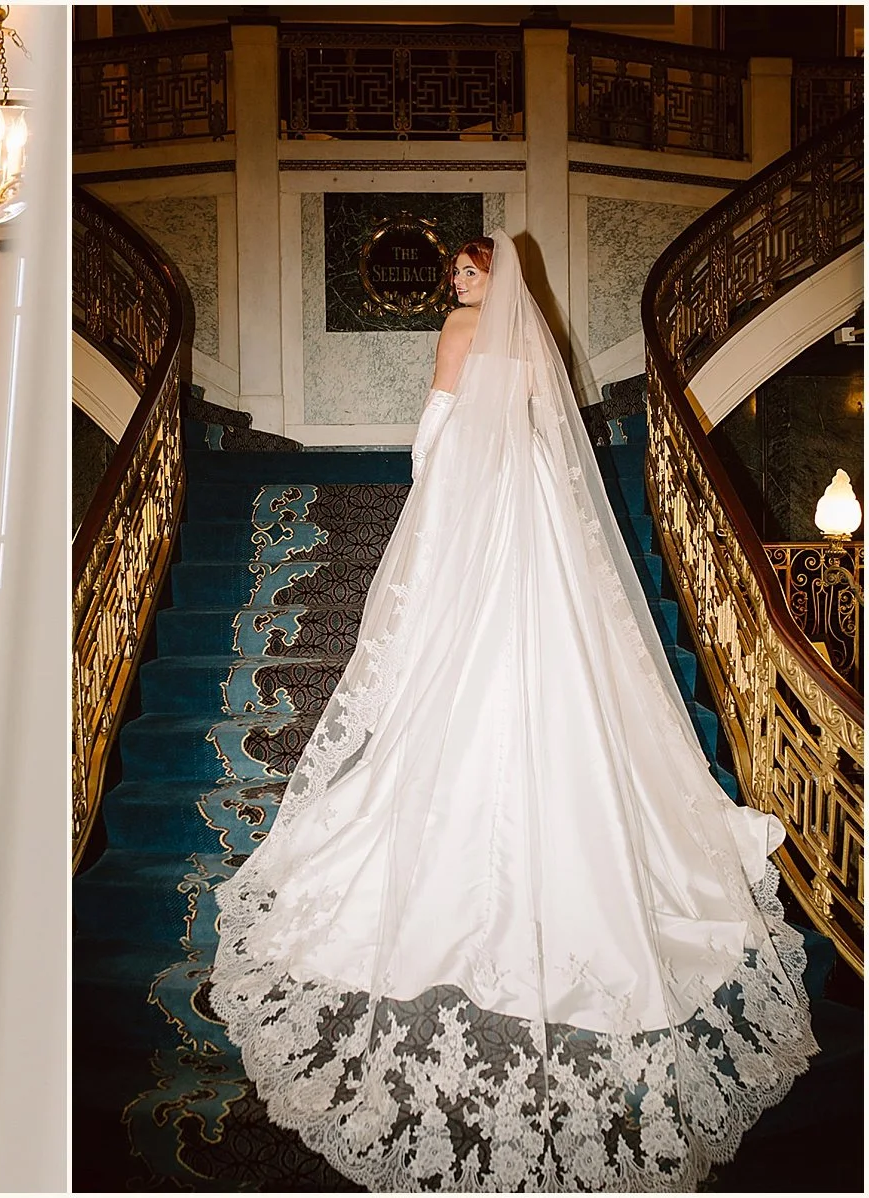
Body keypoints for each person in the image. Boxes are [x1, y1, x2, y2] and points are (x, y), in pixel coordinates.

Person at [209, 231, 816, 1191]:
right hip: (531, 498)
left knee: (471, 648)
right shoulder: (531, 338)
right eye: (457, 274)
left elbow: (438, 421)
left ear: (487, 278)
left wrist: (430, 493)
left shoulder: (459, 331)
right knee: (550, 642)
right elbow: (546, 431)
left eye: (467, 271)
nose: (460, 285)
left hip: (475, 495)